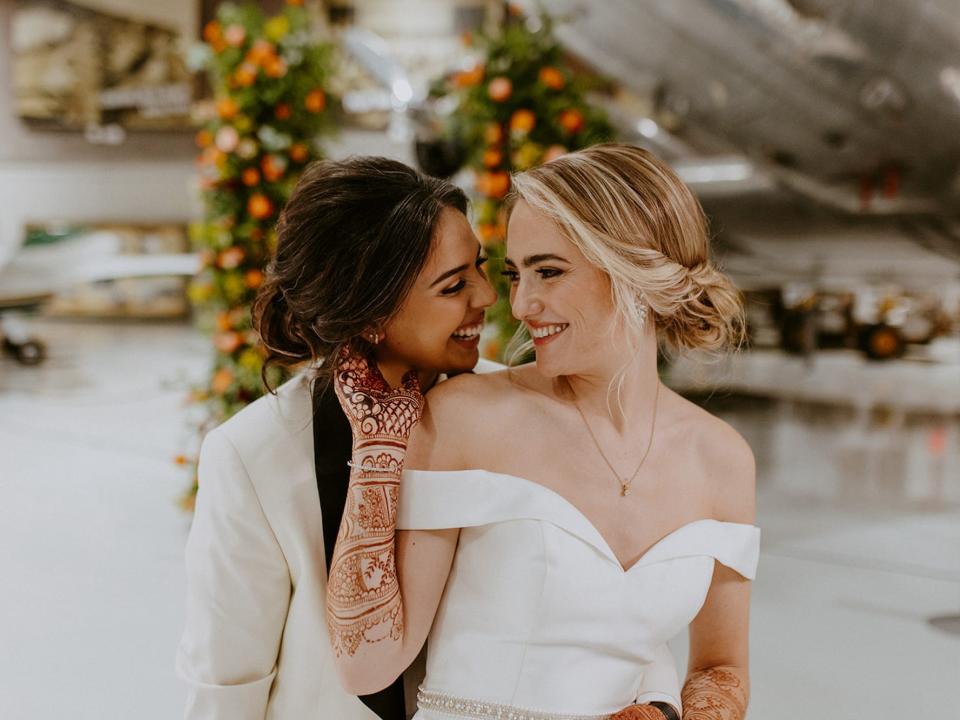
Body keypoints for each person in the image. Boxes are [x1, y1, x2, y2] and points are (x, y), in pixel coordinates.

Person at [326, 143, 759, 720]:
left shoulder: (723, 459)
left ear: (634, 269)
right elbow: (366, 663)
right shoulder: (464, 417)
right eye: (514, 275)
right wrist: (379, 447)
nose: (522, 304)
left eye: (549, 272)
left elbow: (720, 667)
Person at [176, 156, 500, 720]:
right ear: (371, 310)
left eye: (481, 266)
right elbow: (227, 683)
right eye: (454, 286)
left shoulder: (515, 411)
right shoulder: (253, 455)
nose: (487, 296)